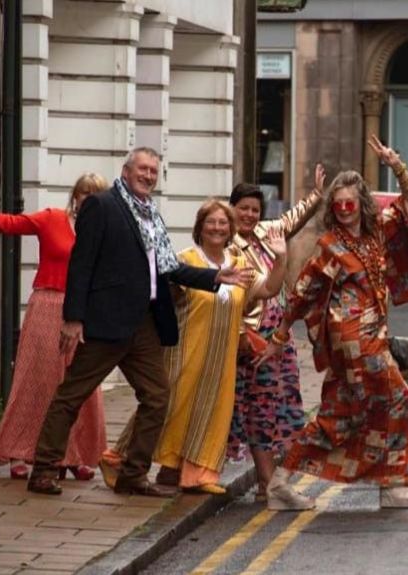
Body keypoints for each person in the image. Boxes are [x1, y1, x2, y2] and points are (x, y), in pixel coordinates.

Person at [26, 147, 251, 497]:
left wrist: (215, 278)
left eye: (153, 171)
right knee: (72, 395)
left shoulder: (150, 214)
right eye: (143, 169)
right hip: (106, 321)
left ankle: (133, 474)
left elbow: (169, 269)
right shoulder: (102, 205)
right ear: (127, 170)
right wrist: (73, 318)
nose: (148, 176)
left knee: (158, 397)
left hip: (144, 322)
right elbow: (81, 264)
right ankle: (43, 469)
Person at [258, 135, 408, 511]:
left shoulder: (378, 232)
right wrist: (279, 336)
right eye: (338, 204)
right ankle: (392, 485)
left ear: (362, 204)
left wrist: (396, 165)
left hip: (373, 335)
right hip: (352, 339)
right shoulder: (331, 246)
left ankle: (279, 482)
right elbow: (303, 293)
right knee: (398, 399)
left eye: (349, 203)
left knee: (338, 416)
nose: (343, 209)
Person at [149, 201, 289, 494]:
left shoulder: (240, 264)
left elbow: (268, 289)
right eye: (210, 222)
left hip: (222, 357)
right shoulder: (184, 259)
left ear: (230, 230)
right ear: (200, 227)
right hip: (186, 350)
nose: (216, 228)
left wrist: (281, 260)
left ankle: (197, 476)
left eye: (223, 223)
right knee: (175, 408)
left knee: (212, 412)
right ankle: (145, 464)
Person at [0, 173, 108, 481]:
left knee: (81, 384)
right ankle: (19, 451)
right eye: (84, 194)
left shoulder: (104, 232)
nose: (87, 200)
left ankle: (74, 455)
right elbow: (11, 224)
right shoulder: (52, 218)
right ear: (74, 195)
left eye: (95, 196)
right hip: (48, 305)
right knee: (37, 380)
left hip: (86, 313)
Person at [228, 170, 324, 502]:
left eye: (255, 209)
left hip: (280, 337)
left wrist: (316, 194)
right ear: (232, 209)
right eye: (243, 208)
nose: (249, 215)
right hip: (253, 339)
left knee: (281, 408)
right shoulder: (229, 245)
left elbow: (294, 217)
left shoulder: (269, 231)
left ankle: (266, 485)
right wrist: (242, 335)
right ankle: (268, 484)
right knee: (259, 409)